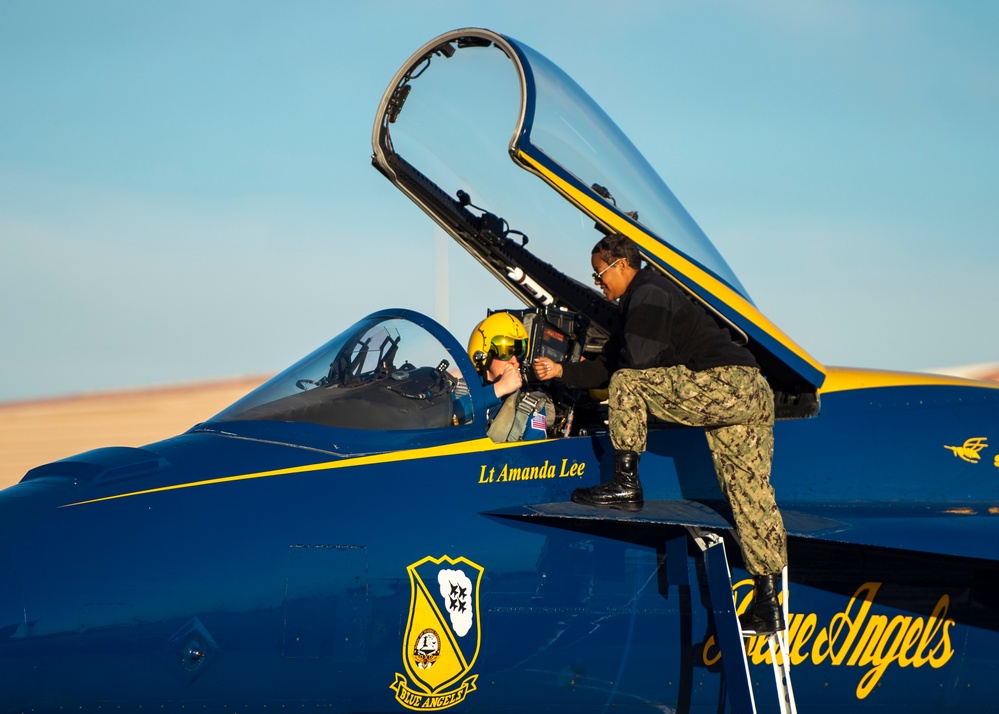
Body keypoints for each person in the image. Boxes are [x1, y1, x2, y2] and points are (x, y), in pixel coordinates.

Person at [532, 233, 787, 635]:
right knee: (749, 495)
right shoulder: (641, 302)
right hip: (751, 390)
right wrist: (562, 371)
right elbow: (608, 365)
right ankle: (768, 606)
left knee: (629, 384)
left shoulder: (649, 291)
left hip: (725, 383)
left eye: (600, 276)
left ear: (621, 265)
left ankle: (626, 484)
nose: (599, 285)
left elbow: (634, 367)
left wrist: (615, 369)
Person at [467, 312, 552, 442]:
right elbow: (447, 414)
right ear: (483, 353)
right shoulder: (460, 391)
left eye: (520, 351)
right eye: (505, 351)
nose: (514, 360)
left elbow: (534, 456)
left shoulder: (530, 406)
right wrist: (498, 389)